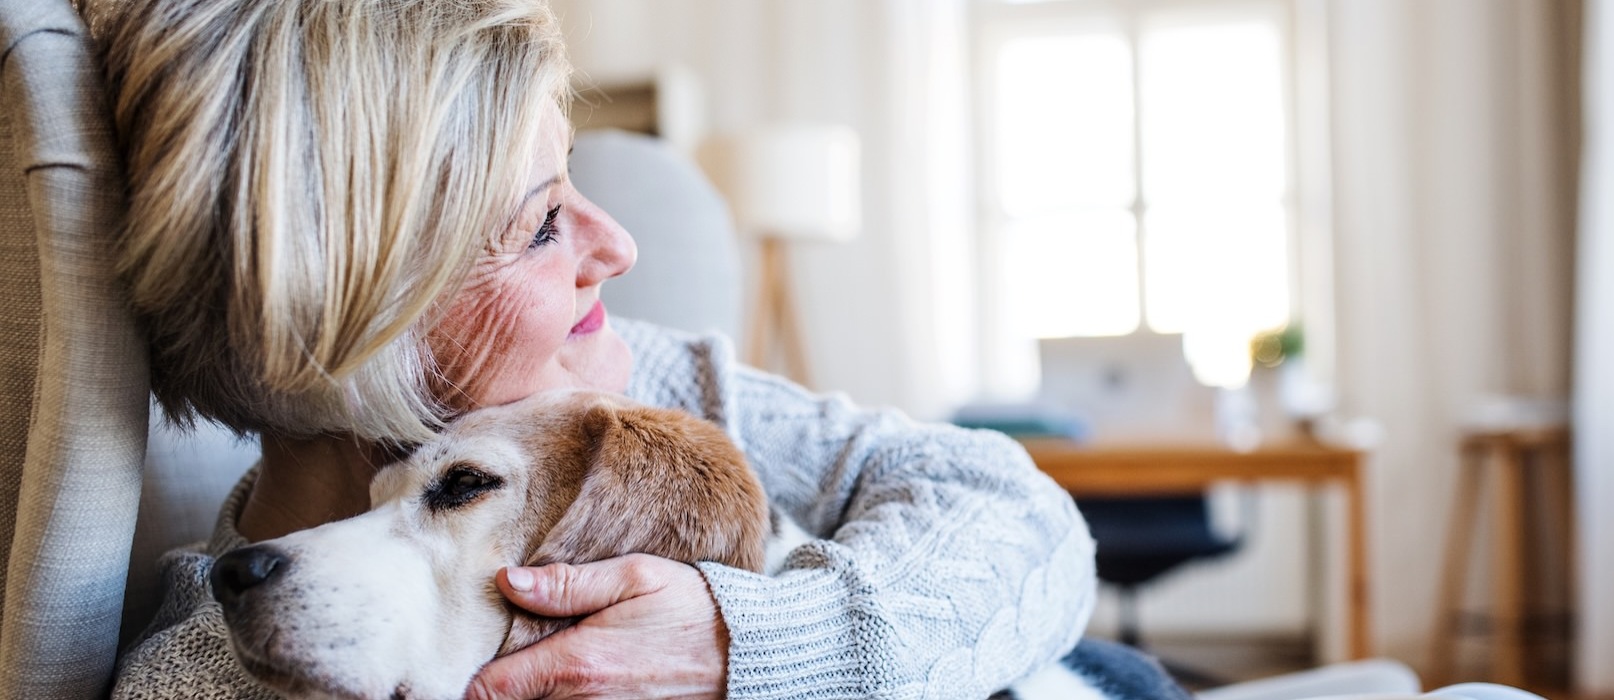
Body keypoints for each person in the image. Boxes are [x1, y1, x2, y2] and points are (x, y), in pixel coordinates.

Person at [87, 0, 1096, 698]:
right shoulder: (206, 667)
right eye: (538, 226)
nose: (616, 246)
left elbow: (1020, 513)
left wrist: (755, 641)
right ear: (352, 321)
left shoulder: (640, 378)